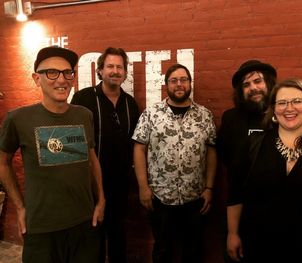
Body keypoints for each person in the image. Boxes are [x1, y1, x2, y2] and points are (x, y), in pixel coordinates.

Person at [226, 78, 302, 263]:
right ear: (274, 109)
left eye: (297, 101)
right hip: (259, 249)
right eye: (282, 102)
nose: (289, 108)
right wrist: (233, 233)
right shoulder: (254, 147)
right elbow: (237, 193)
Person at [0, 46, 105, 263]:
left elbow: (92, 159)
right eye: (52, 73)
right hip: (41, 228)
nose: (62, 79)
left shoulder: (84, 115)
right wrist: (20, 207)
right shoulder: (18, 119)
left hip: (84, 224)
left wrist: (101, 200)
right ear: (36, 79)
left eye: (68, 73)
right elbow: (3, 162)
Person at [132, 63, 217, 262]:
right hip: (160, 197)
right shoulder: (151, 113)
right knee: (163, 251)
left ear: (189, 83)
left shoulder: (204, 115)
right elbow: (139, 148)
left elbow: (212, 151)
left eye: (183, 80)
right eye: (174, 80)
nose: (179, 84)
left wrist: (209, 188)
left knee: (193, 251)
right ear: (166, 84)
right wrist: (143, 187)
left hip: (195, 197)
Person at [71, 47, 139, 263]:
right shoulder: (83, 98)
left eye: (120, 67)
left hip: (120, 184)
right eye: (110, 66)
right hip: (89, 183)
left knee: (118, 234)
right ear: (100, 71)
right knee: (93, 237)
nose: (115, 71)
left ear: (125, 73)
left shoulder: (130, 104)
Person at [216, 60, 277, 261]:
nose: (253, 88)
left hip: (278, 215)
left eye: (257, 81)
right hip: (241, 213)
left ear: (268, 83)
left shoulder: (284, 116)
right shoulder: (231, 119)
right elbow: (228, 164)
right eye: (246, 84)